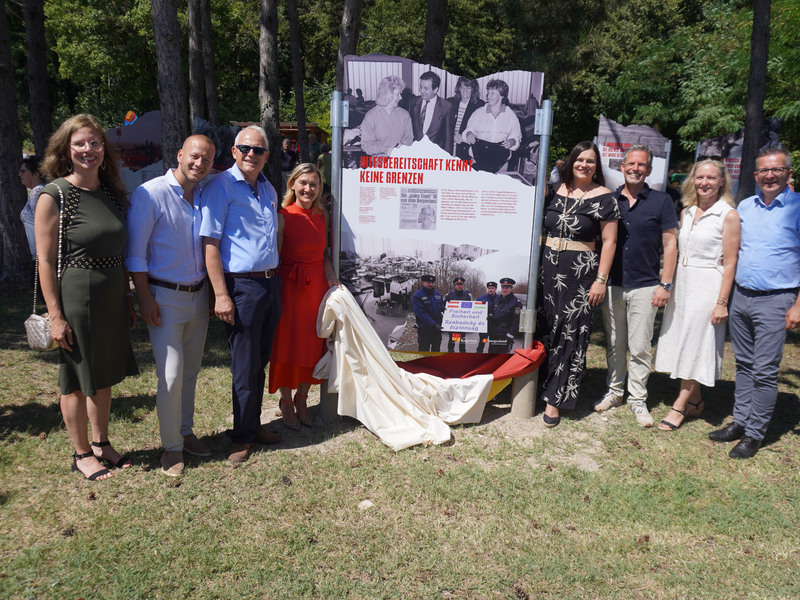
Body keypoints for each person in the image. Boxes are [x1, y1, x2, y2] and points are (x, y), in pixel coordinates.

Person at [35, 114, 138, 481]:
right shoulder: (55, 195)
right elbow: (45, 261)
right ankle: (81, 454)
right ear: (66, 150)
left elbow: (120, 252)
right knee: (77, 378)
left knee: (103, 372)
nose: (88, 149)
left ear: (104, 149)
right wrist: (56, 316)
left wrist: (127, 299)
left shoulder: (111, 193)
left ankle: (101, 443)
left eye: (95, 143)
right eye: (79, 143)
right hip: (77, 295)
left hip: (111, 294)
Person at [126, 134, 216, 477]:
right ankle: (171, 448)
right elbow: (135, 253)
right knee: (171, 374)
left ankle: (185, 432)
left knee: (190, 372)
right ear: (180, 155)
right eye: (194, 156)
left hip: (198, 295)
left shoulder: (204, 195)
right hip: (163, 298)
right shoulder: (150, 193)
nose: (199, 163)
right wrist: (144, 297)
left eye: (206, 159)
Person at [709, 148, 800, 459]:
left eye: (777, 170)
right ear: (755, 175)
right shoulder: (746, 206)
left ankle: (754, 434)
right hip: (742, 296)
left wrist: (798, 305)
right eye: (764, 171)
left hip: (777, 299)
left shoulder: (798, 208)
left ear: (789, 173)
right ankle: (740, 421)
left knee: (764, 370)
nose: (770, 176)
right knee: (744, 365)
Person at [200, 125, 283, 463]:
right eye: (245, 148)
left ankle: (252, 424)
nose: (251, 154)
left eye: (258, 150)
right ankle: (242, 436)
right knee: (245, 364)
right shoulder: (219, 187)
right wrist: (220, 295)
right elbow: (210, 244)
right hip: (242, 287)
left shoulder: (268, 188)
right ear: (233, 151)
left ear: (267, 155)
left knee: (259, 360)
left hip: (270, 284)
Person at [595, 145, 678, 427]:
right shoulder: (609, 199)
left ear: (649, 170)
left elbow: (670, 244)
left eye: (642, 165)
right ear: (622, 167)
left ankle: (638, 398)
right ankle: (615, 392)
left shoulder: (661, 201)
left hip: (645, 285)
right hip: (613, 284)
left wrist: (665, 284)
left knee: (640, 346)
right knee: (615, 343)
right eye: (631, 164)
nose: (636, 169)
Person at [537, 141, 619, 427]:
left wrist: (600, 280)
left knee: (570, 332)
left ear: (597, 166)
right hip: (547, 271)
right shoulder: (553, 191)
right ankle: (540, 385)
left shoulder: (605, 197)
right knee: (546, 329)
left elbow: (609, 242)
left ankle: (554, 399)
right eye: (580, 159)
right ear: (571, 162)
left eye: (590, 161)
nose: (584, 165)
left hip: (581, 274)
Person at [654, 158, 740, 430]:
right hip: (684, 282)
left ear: (722, 181)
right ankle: (695, 401)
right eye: (700, 177)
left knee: (698, 342)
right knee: (685, 339)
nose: (704, 183)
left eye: (711, 178)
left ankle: (679, 406)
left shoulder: (728, 215)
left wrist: (722, 302)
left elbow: (731, 263)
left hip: (708, 285)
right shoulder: (687, 211)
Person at [269, 164, 339, 430]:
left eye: (314, 184)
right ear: (293, 185)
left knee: (312, 344)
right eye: (304, 183)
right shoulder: (283, 217)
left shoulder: (324, 215)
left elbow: (324, 253)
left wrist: (331, 275)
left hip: (316, 288)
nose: (308, 188)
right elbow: (275, 258)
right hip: (290, 288)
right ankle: (286, 401)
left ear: (320, 188)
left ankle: (302, 398)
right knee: (287, 344)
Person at [462, 79, 521, 173]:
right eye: (488, 93)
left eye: (492, 93)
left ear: (501, 96)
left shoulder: (511, 116)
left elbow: (516, 136)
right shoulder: (478, 113)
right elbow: (469, 130)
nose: (488, 96)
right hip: (478, 161)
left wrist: (512, 141)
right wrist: (469, 134)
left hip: (501, 164)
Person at [360, 76, 413, 157]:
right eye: (398, 94)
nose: (400, 98)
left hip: (400, 162)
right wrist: (386, 150)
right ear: (388, 95)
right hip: (379, 163)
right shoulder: (371, 116)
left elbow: (409, 138)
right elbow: (366, 145)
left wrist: (402, 147)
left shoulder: (404, 115)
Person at [410, 71, 453, 153]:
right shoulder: (413, 102)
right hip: (416, 153)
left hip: (435, 154)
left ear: (435, 90)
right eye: (420, 87)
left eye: (426, 88)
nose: (421, 91)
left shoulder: (446, 107)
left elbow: (448, 138)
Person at [448, 77, 485, 160]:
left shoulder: (480, 105)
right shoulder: (450, 102)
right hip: (448, 144)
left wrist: (463, 137)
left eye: (468, 88)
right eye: (462, 87)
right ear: (458, 88)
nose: (464, 91)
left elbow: (480, 129)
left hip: (466, 146)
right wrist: (451, 136)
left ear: (473, 90)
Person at [19, 156, 46, 258]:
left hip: (42, 253)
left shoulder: (37, 191)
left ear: (35, 174)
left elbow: (42, 224)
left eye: (23, 171)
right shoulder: (42, 190)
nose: (19, 174)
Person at [488, 277, 522, 354]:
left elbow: (516, 321)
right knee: (491, 355)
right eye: (503, 287)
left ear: (511, 289)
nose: (504, 290)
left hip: (505, 334)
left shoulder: (516, 302)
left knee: (502, 357)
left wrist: (510, 335)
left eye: (507, 288)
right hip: (495, 333)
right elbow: (492, 312)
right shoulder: (497, 299)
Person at [412, 274, 444, 352]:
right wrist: (433, 324)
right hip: (424, 329)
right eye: (428, 282)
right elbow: (421, 313)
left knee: (436, 350)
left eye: (432, 282)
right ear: (423, 282)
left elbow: (442, 307)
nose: (431, 284)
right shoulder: (417, 295)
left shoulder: (438, 294)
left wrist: (448, 307)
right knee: (424, 351)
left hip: (437, 330)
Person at [444, 277, 472, 352]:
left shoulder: (467, 296)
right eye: (457, 284)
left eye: (461, 284)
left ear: (463, 285)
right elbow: (444, 308)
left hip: (462, 323)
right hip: (452, 323)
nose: (459, 286)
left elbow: (471, 309)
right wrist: (446, 302)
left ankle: (462, 354)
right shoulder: (449, 295)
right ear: (455, 285)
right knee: (452, 340)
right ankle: (451, 353)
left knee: (462, 340)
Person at [475, 281, 497, 353]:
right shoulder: (481, 298)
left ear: (495, 289)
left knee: (492, 342)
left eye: (492, 288)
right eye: (489, 288)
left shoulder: (499, 298)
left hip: (494, 325)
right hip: (484, 324)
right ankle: (478, 354)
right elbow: (475, 309)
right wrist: (480, 304)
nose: (490, 290)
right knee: (482, 341)